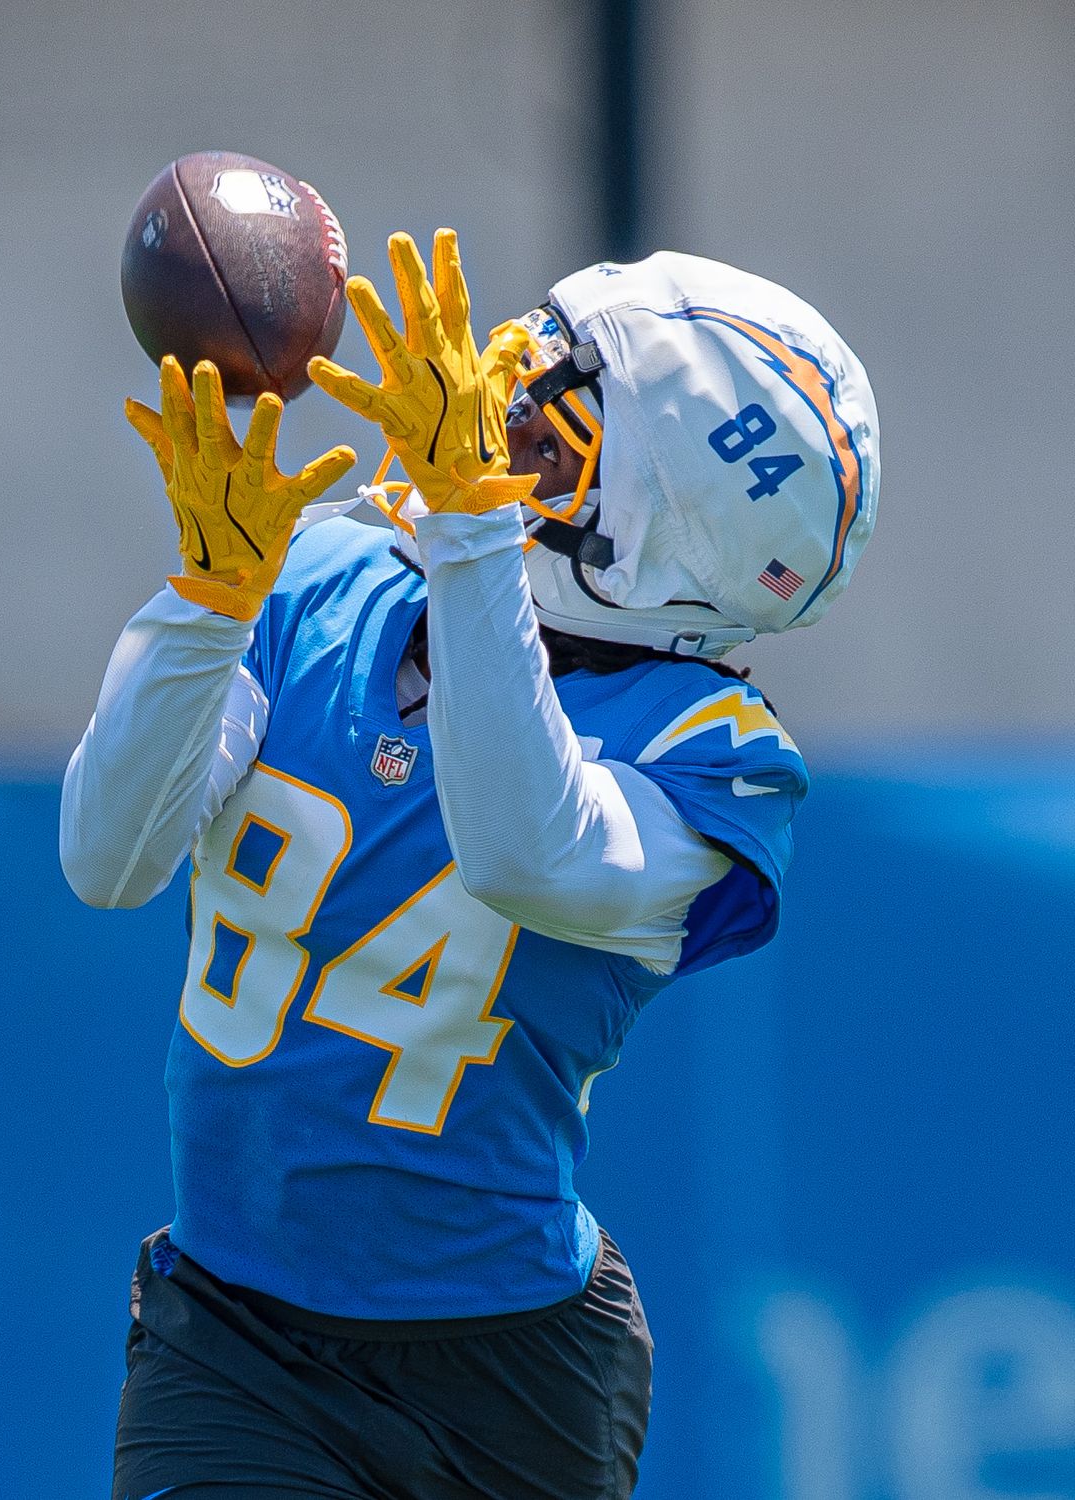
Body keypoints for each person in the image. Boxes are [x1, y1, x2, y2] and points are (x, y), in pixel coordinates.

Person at [61, 228, 879, 1500]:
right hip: (235, 1338)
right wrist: (207, 601)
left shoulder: (717, 754)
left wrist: (469, 534)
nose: (492, 420)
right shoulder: (323, 568)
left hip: (510, 1381)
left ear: (651, 533)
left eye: (557, 427)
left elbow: (522, 847)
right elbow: (108, 859)